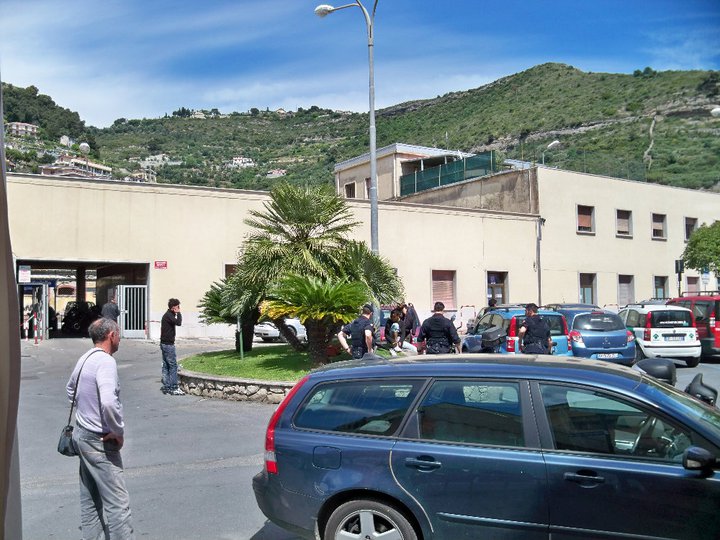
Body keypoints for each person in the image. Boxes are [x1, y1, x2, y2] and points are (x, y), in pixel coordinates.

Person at [66, 318, 134, 540]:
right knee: (118, 503)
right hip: (99, 440)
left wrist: (86, 411)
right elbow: (108, 402)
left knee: (90, 500)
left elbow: (70, 390)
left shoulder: (85, 358)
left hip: (81, 435)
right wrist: (117, 430)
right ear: (111, 336)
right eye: (119, 334)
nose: (120, 339)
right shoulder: (106, 362)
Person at [160, 298, 184, 395]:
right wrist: (179, 313)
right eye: (178, 306)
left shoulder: (168, 315)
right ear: (174, 307)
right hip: (168, 345)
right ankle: (173, 387)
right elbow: (178, 323)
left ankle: (167, 386)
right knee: (173, 366)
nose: (179, 308)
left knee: (166, 365)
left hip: (164, 343)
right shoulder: (169, 316)